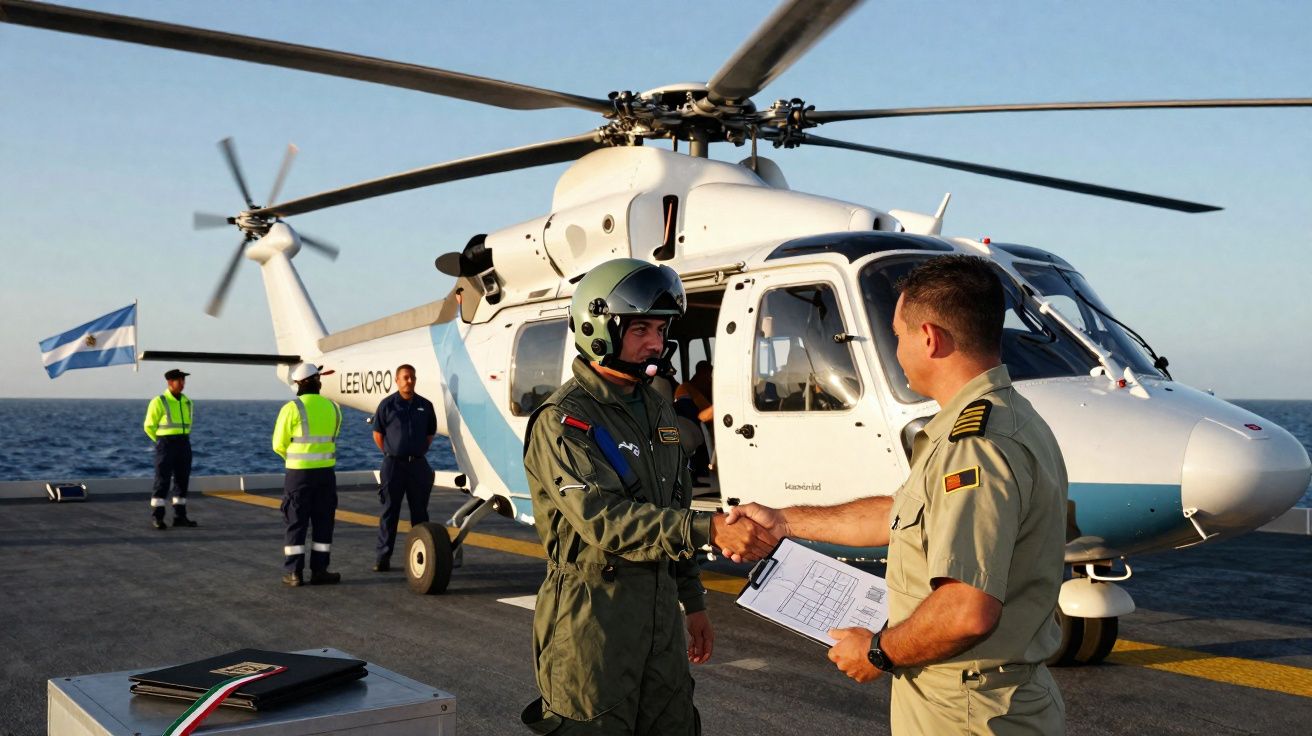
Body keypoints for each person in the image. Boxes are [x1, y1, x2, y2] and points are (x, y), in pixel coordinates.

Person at [728, 255, 1069, 735]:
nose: (897, 348)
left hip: (968, 712)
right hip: (980, 700)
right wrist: (785, 521)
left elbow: (967, 610)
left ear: (929, 338)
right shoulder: (1007, 419)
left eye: (899, 335)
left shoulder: (974, 446)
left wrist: (877, 650)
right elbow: (904, 514)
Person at [520, 258, 777, 735]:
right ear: (601, 327)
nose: (656, 343)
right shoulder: (564, 420)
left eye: (661, 329)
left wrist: (693, 602)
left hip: (660, 627)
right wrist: (710, 529)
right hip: (592, 626)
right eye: (640, 329)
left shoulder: (656, 408)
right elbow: (604, 519)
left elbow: (670, 509)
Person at [272, 362, 343, 587]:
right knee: (323, 522)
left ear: (299, 384)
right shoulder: (333, 408)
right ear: (317, 382)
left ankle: (294, 572)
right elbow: (334, 436)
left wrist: (294, 459)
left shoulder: (291, 409)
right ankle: (320, 570)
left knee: (296, 522)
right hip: (326, 475)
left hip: (299, 476)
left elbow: (278, 444)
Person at [371, 363, 437, 572]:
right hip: (393, 466)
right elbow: (378, 435)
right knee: (390, 512)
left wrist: (415, 453)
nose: (410, 381)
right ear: (397, 380)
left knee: (420, 514)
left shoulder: (425, 405)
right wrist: (393, 453)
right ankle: (383, 557)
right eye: (406, 377)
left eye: (412, 378)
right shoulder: (387, 405)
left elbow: (429, 435)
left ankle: (423, 557)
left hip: (417, 466)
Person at [142, 368, 197, 530]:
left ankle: (180, 516)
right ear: (169, 382)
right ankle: (158, 517)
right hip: (166, 444)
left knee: (182, 479)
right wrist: (160, 441)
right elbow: (148, 426)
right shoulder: (159, 401)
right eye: (179, 380)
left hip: (184, 442)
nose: (182, 383)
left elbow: (189, 424)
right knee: (162, 480)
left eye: (183, 380)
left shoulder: (187, 401)